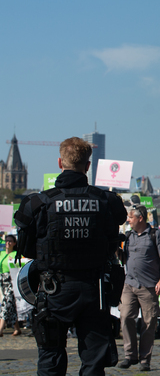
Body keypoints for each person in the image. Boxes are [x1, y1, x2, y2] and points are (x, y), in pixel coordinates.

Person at [13, 137, 127, 375]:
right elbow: (113, 236)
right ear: (87, 166)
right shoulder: (107, 201)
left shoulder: (38, 203)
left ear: (59, 162)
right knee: (94, 362)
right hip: (94, 289)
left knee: (50, 358)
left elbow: (26, 249)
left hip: (53, 289)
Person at [119, 204, 160, 371]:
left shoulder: (155, 235)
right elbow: (124, 258)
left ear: (140, 218)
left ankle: (144, 359)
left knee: (148, 324)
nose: (128, 220)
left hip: (148, 286)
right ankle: (130, 355)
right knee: (126, 317)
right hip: (130, 284)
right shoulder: (128, 236)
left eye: (130, 217)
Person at [0, 234, 21, 337]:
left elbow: (21, 265)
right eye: (6, 241)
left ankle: (0, 329)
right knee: (11, 305)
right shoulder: (1, 253)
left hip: (11, 280)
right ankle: (17, 328)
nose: (7, 243)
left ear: (14, 243)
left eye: (10, 241)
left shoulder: (16, 254)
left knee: (6, 303)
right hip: (2, 280)